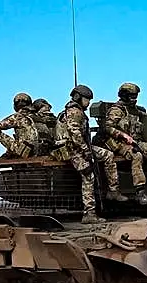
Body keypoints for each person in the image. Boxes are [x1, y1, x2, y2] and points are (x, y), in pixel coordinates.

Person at [60, 84, 116, 224]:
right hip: (73, 150)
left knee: (108, 155)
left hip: (83, 147)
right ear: (79, 97)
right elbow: (75, 134)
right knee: (89, 175)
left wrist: (88, 149)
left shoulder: (78, 111)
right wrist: (86, 151)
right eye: (87, 99)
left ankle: (113, 191)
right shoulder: (73, 111)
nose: (88, 103)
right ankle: (89, 213)